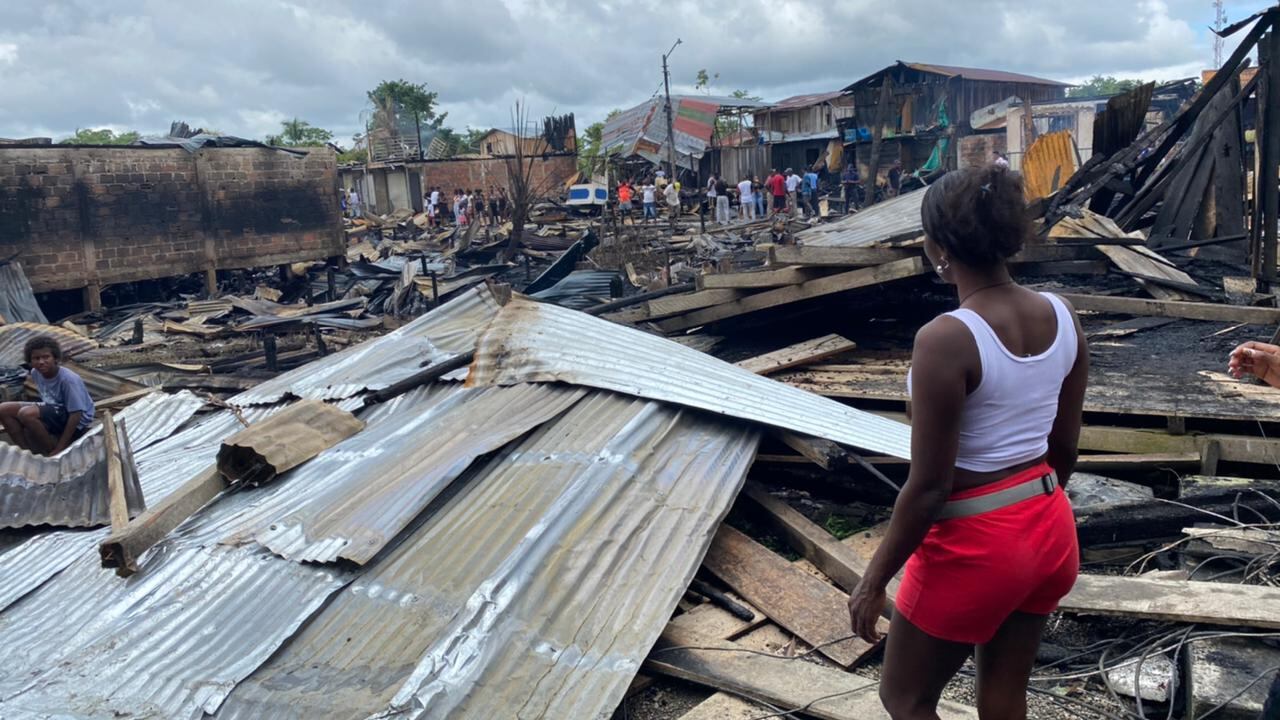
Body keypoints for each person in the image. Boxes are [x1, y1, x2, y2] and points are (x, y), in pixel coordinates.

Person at [847, 165, 1088, 720]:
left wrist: (873, 579)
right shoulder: (1062, 314)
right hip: (1050, 526)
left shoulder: (946, 339)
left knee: (904, 699)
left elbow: (929, 488)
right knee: (1004, 696)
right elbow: (1065, 449)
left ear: (937, 247)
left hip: (977, 543)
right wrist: (1033, 516)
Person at [0, 336, 95, 457]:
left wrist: (61, 447)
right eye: (36, 358)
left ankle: (52, 451)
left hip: (77, 420)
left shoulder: (68, 380)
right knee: (3, 409)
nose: (41, 362)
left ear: (55, 358)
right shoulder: (36, 373)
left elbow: (76, 415)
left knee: (26, 414)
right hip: (55, 409)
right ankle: (26, 452)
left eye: (46, 357)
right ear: (30, 361)